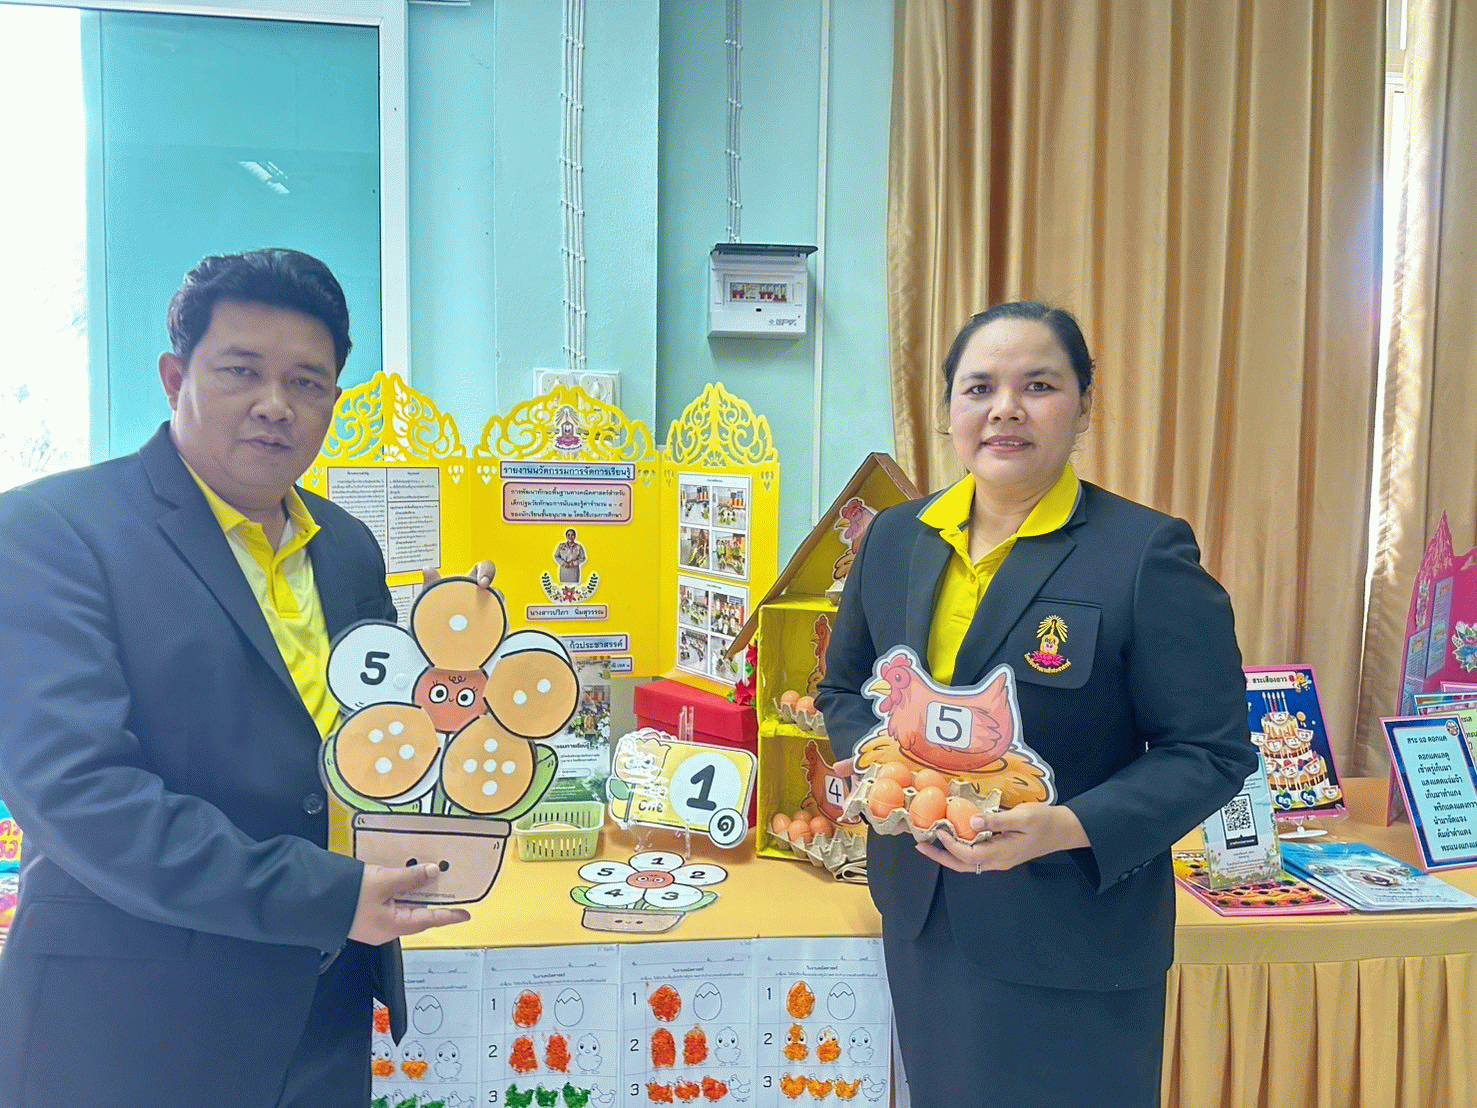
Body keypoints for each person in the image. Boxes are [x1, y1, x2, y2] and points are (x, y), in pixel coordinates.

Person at [0, 248, 489, 1108]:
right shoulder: (51, 533)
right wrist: (328, 896)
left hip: (323, 1008)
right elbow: (81, 795)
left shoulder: (346, 547)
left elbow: (374, 743)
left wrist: (456, 677)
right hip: (134, 1022)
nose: (275, 404)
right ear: (174, 378)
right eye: (241, 370)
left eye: (307, 382)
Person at [817, 302, 1257, 1108]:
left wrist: (1066, 827)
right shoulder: (895, 539)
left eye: (1039, 385)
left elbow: (1211, 750)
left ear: (1083, 405)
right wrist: (875, 770)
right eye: (978, 387)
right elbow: (842, 690)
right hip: (926, 920)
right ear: (948, 407)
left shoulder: (1142, 554)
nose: (1004, 409)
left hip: (1073, 934)